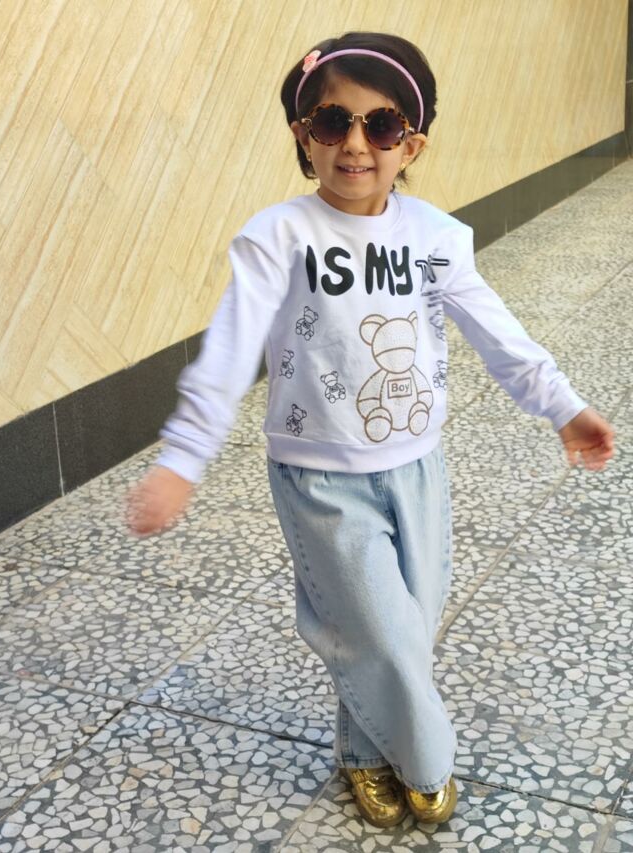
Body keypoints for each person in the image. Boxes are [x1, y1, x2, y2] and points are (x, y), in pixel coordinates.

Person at [127, 31, 615, 829]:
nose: (356, 144)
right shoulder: (277, 237)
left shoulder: (436, 236)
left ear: (410, 144)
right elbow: (229, 349)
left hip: (418, 467)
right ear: (303, 136)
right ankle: (427, 758)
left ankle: (361, 753)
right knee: (382, 634)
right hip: (319, 473)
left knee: (400, 630)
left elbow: (499, 333)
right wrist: (184, 458)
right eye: (333, 122)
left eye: (381, 126)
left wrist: (562, 404)